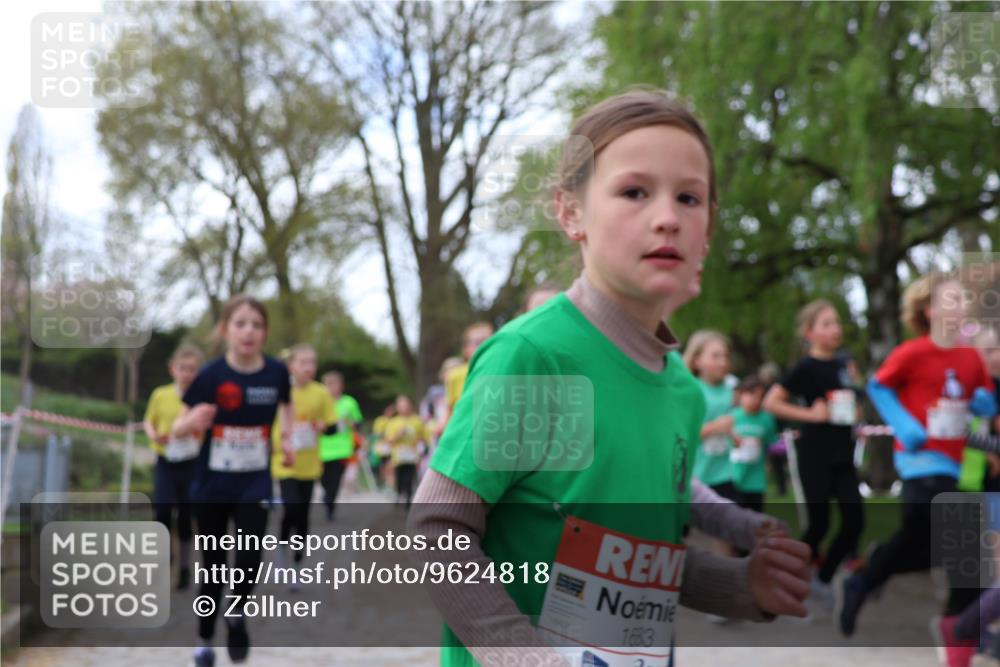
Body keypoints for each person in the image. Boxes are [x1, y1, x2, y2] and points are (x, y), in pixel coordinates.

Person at [410, 89, 810, 667]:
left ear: (708, 229)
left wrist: (741, 586)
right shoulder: (535, 356)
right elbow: (437, 530)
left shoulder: (681, 390)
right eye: (634, 192)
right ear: (571, 212)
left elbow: (633, 556)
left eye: (689, 197)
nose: (667, 217)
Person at [837, 273, 998, 664]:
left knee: (927, 543)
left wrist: (982, 402)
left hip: (951, 463)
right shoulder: (913, 352)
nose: (962, 306)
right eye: (952, 299)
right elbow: (878, 387)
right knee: (963, 540)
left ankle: (867, 578)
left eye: (964, 299)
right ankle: (959, 626)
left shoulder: (969, 358)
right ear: (929, 310)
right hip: (917, 460)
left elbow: (985, 399)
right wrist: (904, 424)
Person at [172, 295, 294, 667]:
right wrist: (191, 423)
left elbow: (286, 406)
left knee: (249, 559)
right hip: (212, 486)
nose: (249, 332)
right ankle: (204, 640)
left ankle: (236, 613)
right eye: (241, 324)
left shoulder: (276, 373)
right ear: (226, 330)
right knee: (213, 568)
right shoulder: (210, 376)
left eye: (256, 325)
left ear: (265, 332)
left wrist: (287, 438)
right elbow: (177, 427)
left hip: (254, 484)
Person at [763, 299, 864, 604]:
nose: (835, 329)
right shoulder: (805, 368)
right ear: (810, 333)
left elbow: (854, 403)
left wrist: (856, 414)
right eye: (827, 324)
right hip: (815, 455)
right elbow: (771, 402)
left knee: (855, 520)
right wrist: (810, 414)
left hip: (843, 454)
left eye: (837, 322)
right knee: (819, 524)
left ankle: (823, 576)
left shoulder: (845, 364)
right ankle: (784, 575)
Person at [142, 343, 204, 591]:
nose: (186, 373)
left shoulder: (203, 397)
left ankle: (185, 566)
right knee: (163, 510)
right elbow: (149, 421)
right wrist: (154, 435)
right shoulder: (161, 394)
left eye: (192, 369)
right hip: (166, 460)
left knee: (187, 515)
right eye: (182, 368)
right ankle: (165, 558)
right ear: (172, 369)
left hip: (192, 462)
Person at [272, 344, 335, 581]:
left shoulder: (321, 392)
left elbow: (332, 426)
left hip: (309, 464)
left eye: (313, 362)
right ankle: (281, 550)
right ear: (291, 365)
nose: (309, 367)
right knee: (292, 507)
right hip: (284, 461)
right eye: (303, 362)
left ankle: (298, 563)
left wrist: (322, 426)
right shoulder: (279, 390)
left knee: (303, 515)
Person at [684, 330, 738, 502]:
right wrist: (716, 427)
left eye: (725, 356)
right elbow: (682, 433)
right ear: (696, 361)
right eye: (715, 356)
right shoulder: (690, 390)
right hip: (698, 478)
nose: (723, 362)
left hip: (728, 475)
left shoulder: (732, 389)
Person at [729, 374, 779, 515]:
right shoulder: (731, 417)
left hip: (756, 481)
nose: (756, 400)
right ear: (741, 394)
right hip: (733, 478)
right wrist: (735, 441)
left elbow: (772, 444)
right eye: (751, 394)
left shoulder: (767, 419)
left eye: (760, 396)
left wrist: (760, 443)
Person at [318, 370, 362, 520]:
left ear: (341, 386)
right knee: (324, 479)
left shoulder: (349, 402)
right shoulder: (320, 403)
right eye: (327, 384)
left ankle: (330, 503)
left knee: (335, 479)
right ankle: (327, 496)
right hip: (322, 448)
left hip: (342, 448)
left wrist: (350, 423)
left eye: (333, 384)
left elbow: (358, 422)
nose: (330, 388)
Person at [384, 395, 427, 508]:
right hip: (398, 456)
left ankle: (408, 498)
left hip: (412, 455)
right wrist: (399, 434)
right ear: (397, 408)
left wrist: (420, 442)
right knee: (399, 477)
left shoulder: (417, 421)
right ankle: (399, 494)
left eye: (406, 405)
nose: (404, 408)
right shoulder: (393, 422)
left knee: (409, 477)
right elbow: (389, 440)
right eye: (401, 406)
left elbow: (424, 437)